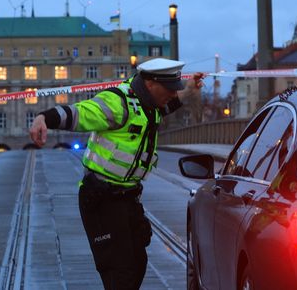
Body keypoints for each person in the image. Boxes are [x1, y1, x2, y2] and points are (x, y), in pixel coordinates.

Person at [29, 58, 204, 289]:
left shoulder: (149, 104)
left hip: (127, 198)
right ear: (151, 83)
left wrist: (189, 90)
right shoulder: (117, 102)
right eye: (170, 89)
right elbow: (79, 114)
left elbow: (168, 106)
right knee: (120, 272)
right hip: (101, 199)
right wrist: (44, 117)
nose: (173, 94)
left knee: (138, 263)